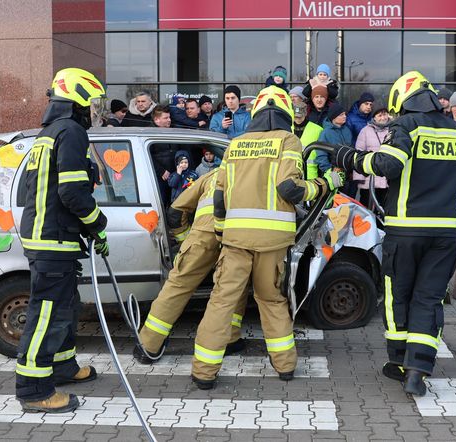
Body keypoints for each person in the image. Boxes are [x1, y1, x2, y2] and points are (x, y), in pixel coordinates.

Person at [329, 71, 456, 396]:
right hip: (445, 233)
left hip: (406, 230)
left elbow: (388, 165)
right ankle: (419, 369)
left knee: (398, 293)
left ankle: (398, 361)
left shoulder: (406, 126)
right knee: (428, 297)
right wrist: (455, 206)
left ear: (402, 100)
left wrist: (349, 158)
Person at [190, 85, 345, 390]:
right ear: (287, 113)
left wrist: (222, 232)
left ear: (256, 113)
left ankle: (203, 372)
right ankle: (285, 366)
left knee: (221, 303)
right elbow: (291, 189)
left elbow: (219, 199)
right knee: (271, 301)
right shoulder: (288, 140)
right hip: (272, 243)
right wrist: (326, 182)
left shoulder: (235, 145)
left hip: (235, 240)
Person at [16, 68, 108, 414]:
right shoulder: (71, 132)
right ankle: (33, 389)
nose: (94, 110)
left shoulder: (49, 134)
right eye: (92, 102)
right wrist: (97, 223)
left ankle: (63, 366)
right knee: (47, 315)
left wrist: (84, 227)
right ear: (78, 98)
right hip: (53, 240)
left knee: (66, 307)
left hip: (51, 237)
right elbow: (71, 191)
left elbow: (50, 192)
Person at [135, 169, 247, 363]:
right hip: (235, 238)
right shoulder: (256, 173)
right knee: (231, 288)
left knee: (177, 287)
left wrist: (186, 239)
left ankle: (148, 345)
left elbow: (176, 211)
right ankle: (230, 338)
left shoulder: (212, 175)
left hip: (202, 236)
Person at [355, 107, 391, 208]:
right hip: (369, 178)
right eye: (379, 115)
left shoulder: (392, 130)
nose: (383, 118)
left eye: (385, 114)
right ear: (374, 118)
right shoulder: (365, 131)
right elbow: (359, 153)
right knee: (366, 207)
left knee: (385, 208)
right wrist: (359, 177)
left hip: (386, 179)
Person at [151, 105, 179, 206]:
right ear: (157, 120)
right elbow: (148, 157)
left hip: (174, 175)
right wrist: (161, 171)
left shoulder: (173, 131)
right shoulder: (150, 134)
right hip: (159, 177)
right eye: (166, 118)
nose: (169, 120)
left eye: (169, 117)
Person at [314, 102, 352, 174]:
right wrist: (329, 170)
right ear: (333, 117)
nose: (345, 116)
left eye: (345, 114)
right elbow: (321, 154)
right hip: (332, 172)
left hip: (347, 171)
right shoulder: (326, 133)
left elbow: (351, 149)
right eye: (341, 115)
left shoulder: (347, 130)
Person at [293, 102, 323, 179]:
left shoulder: (317, 130)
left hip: (311, 176)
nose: (297, 119)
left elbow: (322, 155)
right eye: (295, 117)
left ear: (305, 114)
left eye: (300, 117)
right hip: (291, 174)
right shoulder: (287, 129)